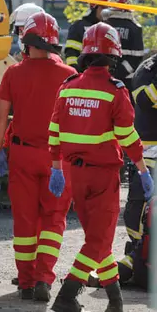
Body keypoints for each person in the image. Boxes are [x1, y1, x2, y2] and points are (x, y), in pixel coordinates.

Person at [47, 22, 154, 312]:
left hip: (73, 174)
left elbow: (54, 131)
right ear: (114, 56)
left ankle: (115, 300)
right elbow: (129, 138)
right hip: (103, 175)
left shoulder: (67, 88)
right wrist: (143, 170)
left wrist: (56, 168)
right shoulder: (114, 91)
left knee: (98, 240)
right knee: (99, 239)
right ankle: (67, 295)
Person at [0, 12, 77, 302]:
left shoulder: (13, 73)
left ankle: (26, 282)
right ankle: (44, 277)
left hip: (23, 156)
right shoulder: (69, 75)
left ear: (26, 41)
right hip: (58, 159)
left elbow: (1, 117)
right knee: (54, 220)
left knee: (25, 221)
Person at [122, 52, 157, 256]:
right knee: (139, 207)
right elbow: (143, 99)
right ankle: (138, 253)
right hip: (149, 153)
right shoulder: (147, 69)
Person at [103, 0, 145, 92]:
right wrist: (119, 73)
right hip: (127, 81)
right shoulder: (136, 28)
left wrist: (110, 73)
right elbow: (137, 57)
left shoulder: (103, 26)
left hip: (104, 77)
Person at [63, 0, 111, 69]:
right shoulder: (78, 27)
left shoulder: (108, 28)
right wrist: (76, 72)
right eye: (104, 8)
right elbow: (71, 53)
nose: (106, 13)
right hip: (83, 75)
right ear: (94, 7)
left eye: (109, 10)